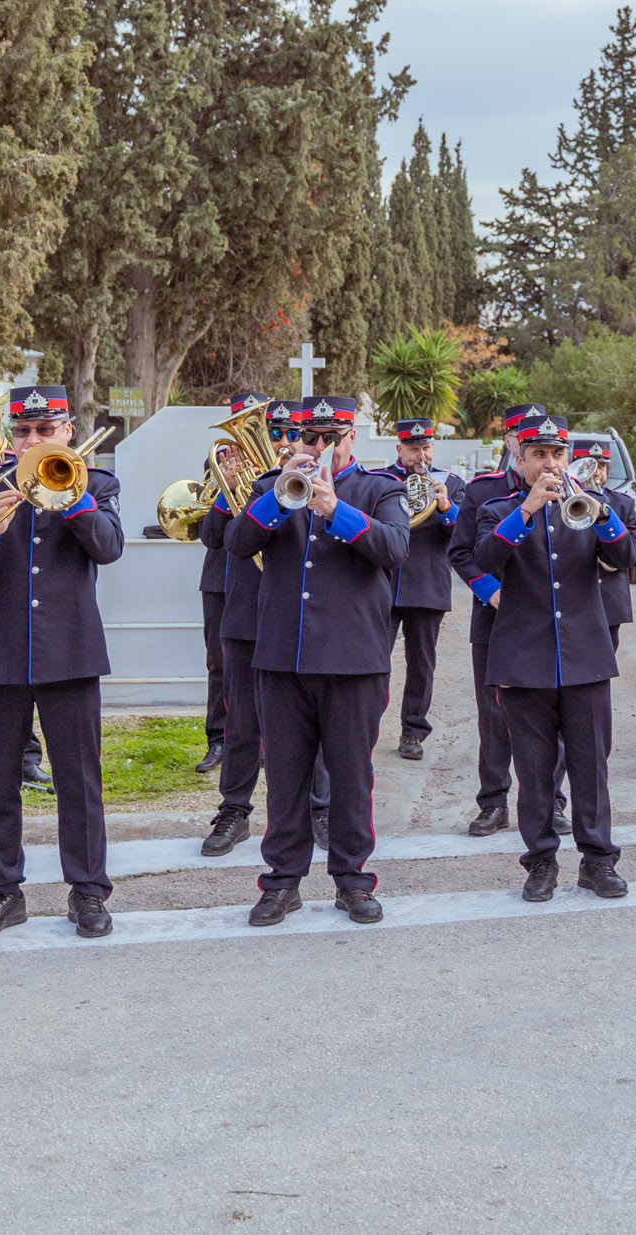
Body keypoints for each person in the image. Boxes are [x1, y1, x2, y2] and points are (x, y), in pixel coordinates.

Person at [0, 384, 123, 941]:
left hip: (71, 652)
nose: (34, 441)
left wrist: (73, 500)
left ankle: (88, 893)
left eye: (45, 431)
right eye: (23, 432)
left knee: (79, 782)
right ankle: (1, 895)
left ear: (67, 431)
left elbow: (108, 548)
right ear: (10, 436)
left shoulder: (97, 481)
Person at [225, 396, 410, 925]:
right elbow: (236, 544)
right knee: (284, 777)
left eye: (331, 436)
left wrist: (334, 509)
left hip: (354, 659)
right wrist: (281, 497)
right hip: (283, 658)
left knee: (352, 776)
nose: (319, 446)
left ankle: (353, 881)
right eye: (310, 437)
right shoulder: (270, 487)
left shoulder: (381, 489)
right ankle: (282, 882)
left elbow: (394, 549)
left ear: (353, 437)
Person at [473, 416, 636, 901]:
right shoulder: (497, 508)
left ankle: (597, 861)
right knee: (533, 769)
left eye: (558, 455)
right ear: (520, 459)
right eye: (540, 455)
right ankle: (541, 862)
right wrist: (526, 510)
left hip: (585, 655)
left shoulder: (592, 506)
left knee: (591, 765)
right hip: (523, 658)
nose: (551, 464)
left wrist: (602, 513)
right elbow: (482, 560)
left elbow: (629, 556)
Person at [196, 397, 297, 860]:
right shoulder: (245, 485)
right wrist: (229, 486)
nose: (281, 442)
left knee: (305, 720)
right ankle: (234, 810)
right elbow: (214, 539)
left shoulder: (313, 479)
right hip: (245, 612)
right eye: (273, 434)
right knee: (241, 723)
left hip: (296, 615)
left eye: (289, 434)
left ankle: (316, 807)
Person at [449, 403, 547, 836]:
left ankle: (551, 800)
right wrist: (491, 593)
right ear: (510, 442)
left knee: (551, 715)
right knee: (494, 714)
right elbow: (461, 552)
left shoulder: (569, 486)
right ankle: (493, 801)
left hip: (548, 621)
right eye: (513, 433)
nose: (517, 440)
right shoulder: (481, 490)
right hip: (495, 618)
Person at [192, 392, 268, 774]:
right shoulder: (217, 463)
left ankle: (268, 740)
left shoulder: (276, 465)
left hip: (259, 577)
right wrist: (227, 488)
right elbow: (210, 535)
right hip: (220, 579)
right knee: (218, 664)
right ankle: (218, 740)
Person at [381, 417, 455, 761]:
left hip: (426, 586)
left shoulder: (450, 483)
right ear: (399, 449)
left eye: (425, 448)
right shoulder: (381, 481)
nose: (420, 456)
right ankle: (366, 724)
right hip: (383, 585)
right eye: (413, 449)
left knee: (421, 664)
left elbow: (462, 539)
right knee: (373, 660)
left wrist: (445, 506)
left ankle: (413, 731)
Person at [570, 438, 636, 651]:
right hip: (570, 599)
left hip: (609, 600)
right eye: (589, 466)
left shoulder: (623, 503)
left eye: (602, 467)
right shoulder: (559, 501)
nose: (596, 473)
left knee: (603, 663)